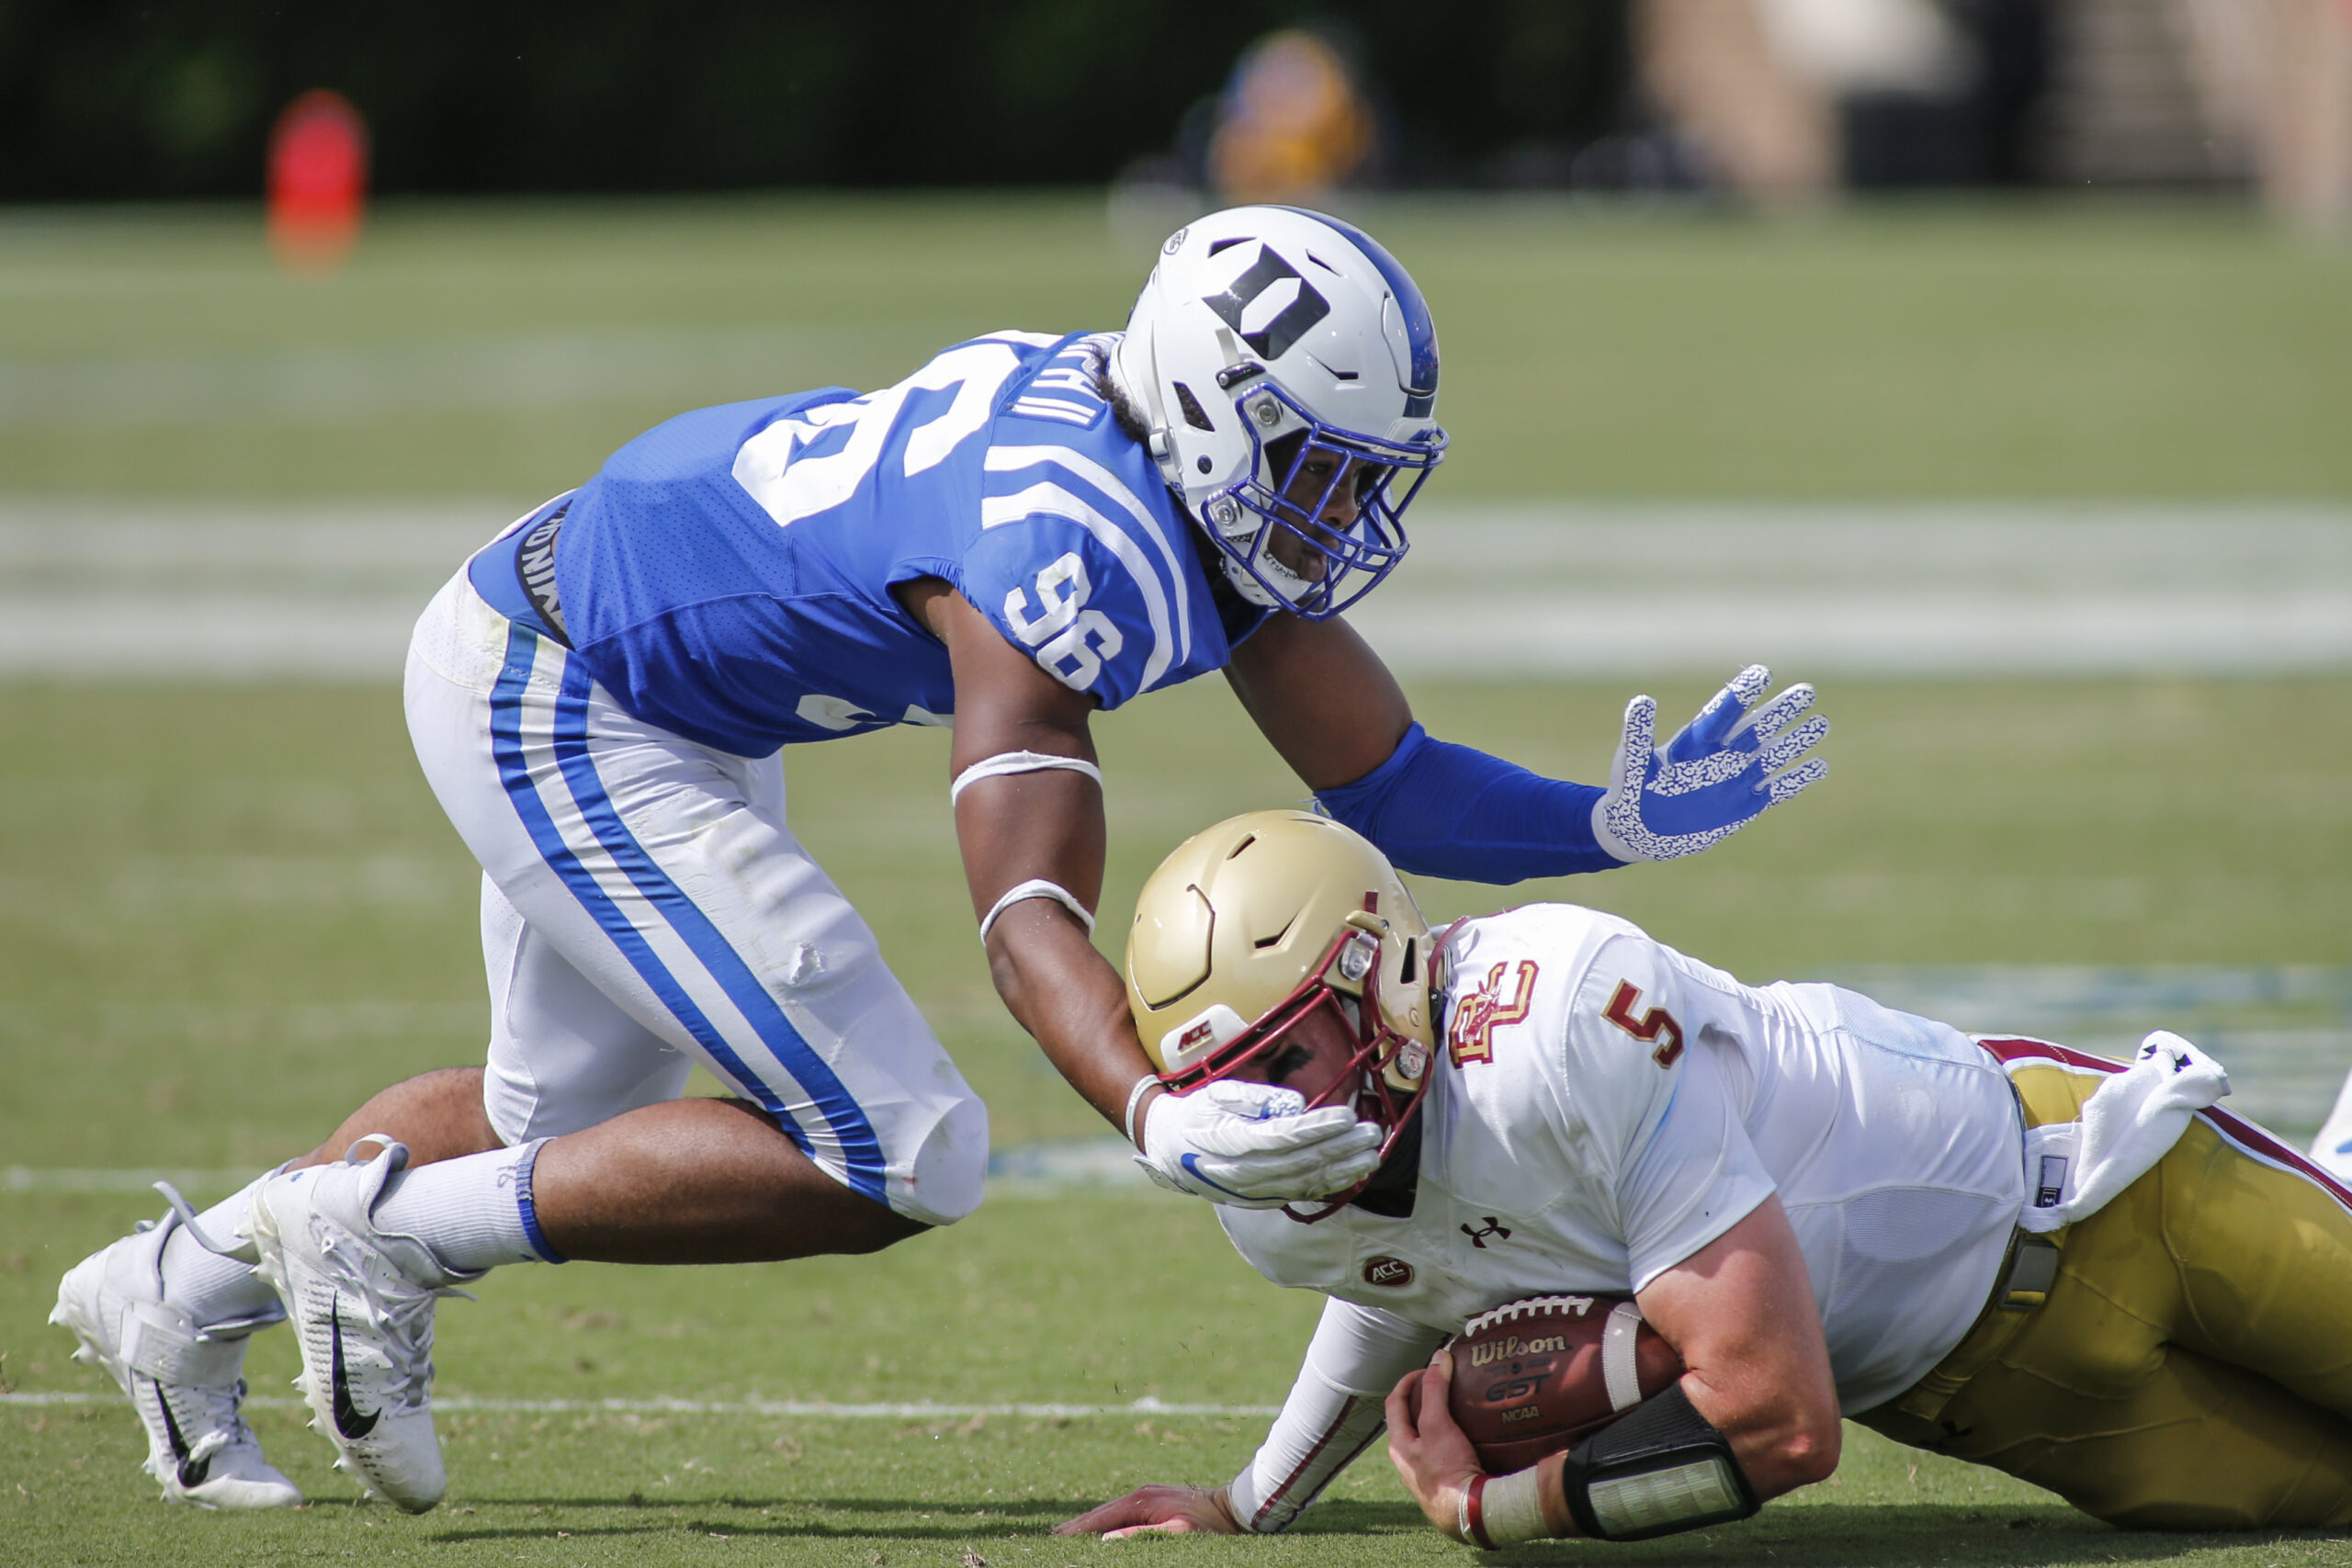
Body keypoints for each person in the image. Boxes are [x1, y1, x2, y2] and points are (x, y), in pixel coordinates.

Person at [51, 206, 1830, 1515]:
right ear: (1206, 413)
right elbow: (1024, 904)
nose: (1336, 516)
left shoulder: (1171, 492)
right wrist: (1147, 1103)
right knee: (897, 1146)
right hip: (562, 689)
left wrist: (1608, 823)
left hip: (640, 673)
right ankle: (368, 1237)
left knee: (551, 1130)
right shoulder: (1069, 538)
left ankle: (174, 1295)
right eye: (1308, 462)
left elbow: (1390, 782)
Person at [1062, 810, 2352, 1545]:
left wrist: (1492, 1512)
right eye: (1232, 1083)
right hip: (1984, 1402)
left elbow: (1780, 1419)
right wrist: (1249, 1506)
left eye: (1294, 1054)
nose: (1270, 1115)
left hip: (2113, 1195)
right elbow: (1400, 1272)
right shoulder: (1274, 1209)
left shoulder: (1559, 1017)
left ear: (1382, 974)